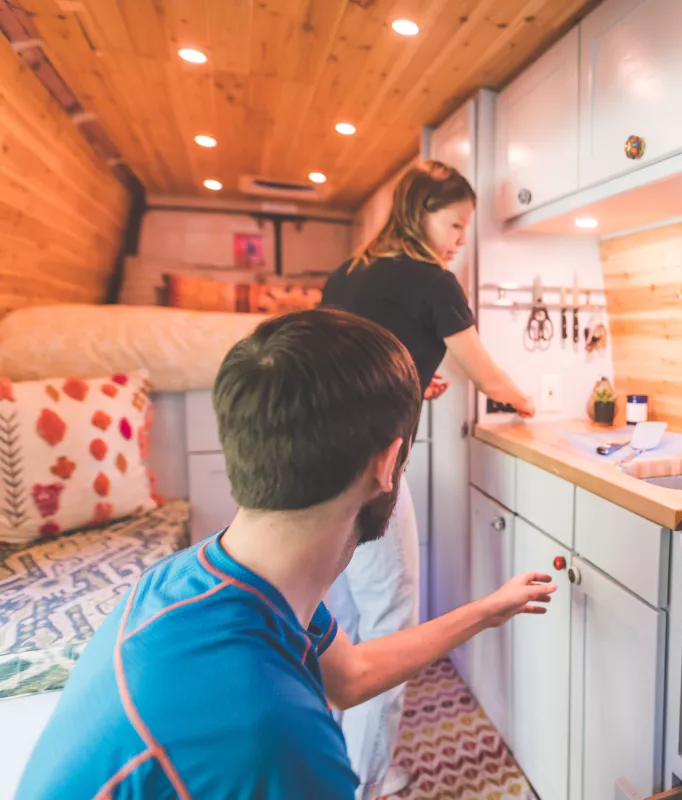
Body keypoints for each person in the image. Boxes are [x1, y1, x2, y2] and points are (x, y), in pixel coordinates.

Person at [15, 309, 555, 799]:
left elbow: (352, 675)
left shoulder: (213, 576)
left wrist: (488, 610)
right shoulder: (274, 736)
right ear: (388, 463)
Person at [318, 159, 534, 796]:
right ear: (422, 214)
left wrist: (411, 379)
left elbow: (347, 363)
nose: (460, 238)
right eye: (456, 224)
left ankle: (337, 761)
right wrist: (528, 405)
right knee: (392, 624)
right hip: (370, 470)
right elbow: (488, 376)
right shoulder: (433, 281)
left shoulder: (348, 272)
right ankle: (364, 783)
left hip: (322, 459)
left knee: (345, 620)